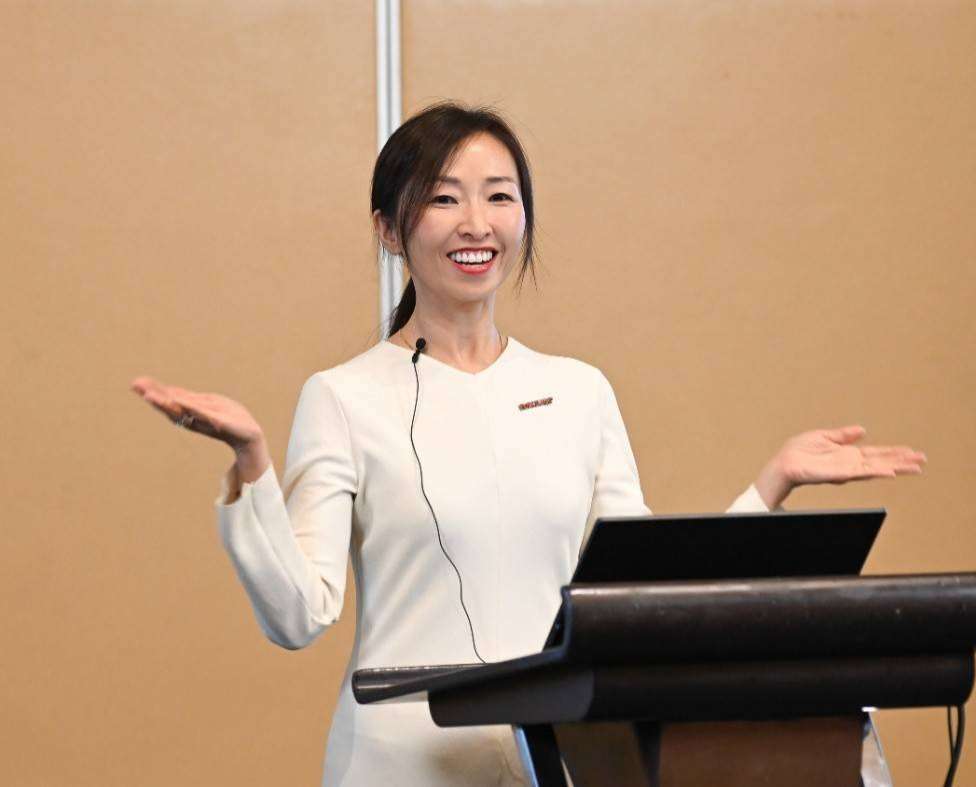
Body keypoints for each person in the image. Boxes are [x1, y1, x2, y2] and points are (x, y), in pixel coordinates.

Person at [130, 102, 925, 786]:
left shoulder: (580, 390)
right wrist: (252, 463)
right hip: (403, 763)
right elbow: (299, 614)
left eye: (499, 196)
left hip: (556, 757)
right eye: (443, 198)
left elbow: (642, 590)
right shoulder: (343, 396)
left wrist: (771, 484)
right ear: (389, 228)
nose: (476, 223)